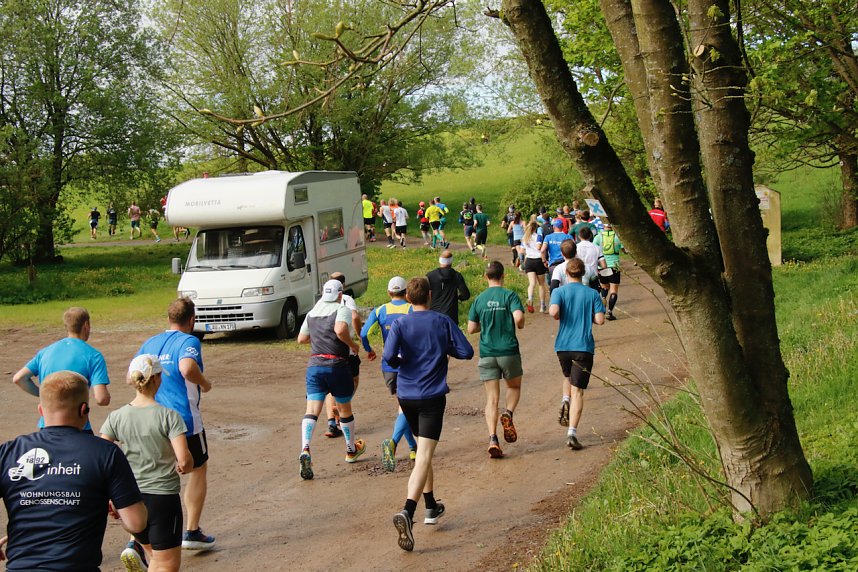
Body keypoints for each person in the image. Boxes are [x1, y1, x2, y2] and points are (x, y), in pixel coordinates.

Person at [0, 371, 147, 571]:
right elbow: (137, 523)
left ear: (41, 411)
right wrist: (119, 508)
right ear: (84, 410)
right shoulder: (105, 453)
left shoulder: (9, 452)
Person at [383, 277, 474, 552]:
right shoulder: (442, 321)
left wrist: (405, 360)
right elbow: (466, 352)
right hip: (432, 396)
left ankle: (431, 506)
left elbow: (389, 357)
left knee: (424, 451)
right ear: (430, 296)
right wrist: (444, 350)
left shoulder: (400, 323)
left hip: (406, 395)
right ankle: (408, 511)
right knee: (423, 455)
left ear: (408, 298)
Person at [100, 355, 193, 572]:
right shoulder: (169, 416)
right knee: (166, 564)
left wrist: (111, 492)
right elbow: (185, 460)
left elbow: (102, 454)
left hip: (129, 500)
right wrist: (183, 465)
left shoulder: (116, 417)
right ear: (158, 379)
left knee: (154, 556)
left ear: (132, 380)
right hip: (162, 498)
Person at [137, 297, 216, 551]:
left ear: (169, 318)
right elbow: (186, 367)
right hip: (184, 420)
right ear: (192, 320)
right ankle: (191, 531)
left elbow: (133, 373)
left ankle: (136, 541)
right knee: (198, 469)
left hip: (151, 418)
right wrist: (204, 383)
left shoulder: (149, 342)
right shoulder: (189, 341)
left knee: (152, 477)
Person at [297, 279, 368, 480]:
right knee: (345, 409)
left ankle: (305, 448)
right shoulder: (341, 308)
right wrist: (352, 345)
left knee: (311, 410)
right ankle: (350, 449)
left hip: (315, 366)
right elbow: (339, 330)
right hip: (337, 365)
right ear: (340, 294)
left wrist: (319, 336)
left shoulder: (312, 312)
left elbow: (301, 339)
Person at [13, 307, 111, 433]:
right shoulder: (93, 355)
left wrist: (45, 395)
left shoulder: (45, 352)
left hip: (47, 427)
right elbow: (101, 399)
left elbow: (19, 378)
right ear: (86, 325)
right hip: (78, 428)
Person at [467, 261, 525, 458]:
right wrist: (520, 323)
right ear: (503, 276)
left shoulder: (479, 300)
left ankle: (493, 439)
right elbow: (518, 318)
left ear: (486, 277)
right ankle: (508, 414)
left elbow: (471, 328)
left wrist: (486, 324)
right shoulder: (510, 295)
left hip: (487, 353)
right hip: (508, 351)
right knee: (514, 387)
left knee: (491, 399)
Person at [360, 276, 418, 472]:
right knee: (405, 407)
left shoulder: (380, 310)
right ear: (406, 294)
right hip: (408, 364)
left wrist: (369, 350)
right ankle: (392, 443)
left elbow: (363, 333)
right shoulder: (411, 309)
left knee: (403, 405)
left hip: (389, 366)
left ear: (388, 293)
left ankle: (412, 448)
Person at [549, 258, 606, 450]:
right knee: (578, 390)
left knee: (567, 376)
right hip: (583, 347)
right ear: (583, 275)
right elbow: (600, 320)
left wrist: (561, 313)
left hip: (563, 347)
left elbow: (554, 312)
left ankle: (565, 399)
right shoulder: (592, 294)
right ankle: (572, 432)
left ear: (566, 273)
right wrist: (587, 313)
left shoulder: (559, 292)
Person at [323, 272, 364, 438]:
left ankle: (332, 424)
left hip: (327, 348)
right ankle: (341, 406)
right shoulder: (347, 299)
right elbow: (354, 316)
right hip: (346, 348)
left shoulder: (322, 302)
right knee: (354, 379)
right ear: (343, 286)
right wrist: (358, 333)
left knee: (329, 389)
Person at [426, 250, 470, 323]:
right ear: (451, 262)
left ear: (440, 261)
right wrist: (458, 298)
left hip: (434, 315)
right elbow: (466, 295)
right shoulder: (457, 276)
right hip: (451, 316)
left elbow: (425, 295)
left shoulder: (430, 276)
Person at [594, 221, 624, 320]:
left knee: (604, 287)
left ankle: (603, 300)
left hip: (603, 266)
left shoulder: (598, 236)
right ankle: (610, 312)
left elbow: (594, 250)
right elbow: (624, 250)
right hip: (614, 266)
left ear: (603, 225)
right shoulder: (617, 236)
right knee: (614, 291)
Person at [517, 221, 548, 313]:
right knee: (541, 284)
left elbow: (521, 251)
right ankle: (542, 306)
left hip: (529, 261)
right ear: (536, 228)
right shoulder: (538, 236)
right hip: (538, 260)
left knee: (532, 284)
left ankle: (530, 298)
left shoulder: (524, 238)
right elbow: (539, 247)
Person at [575, 226, 606, 291]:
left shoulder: (576, 247)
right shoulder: (597, 248)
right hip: (594, 277)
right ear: (590, 236)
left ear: (579, 236)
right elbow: (604, 266)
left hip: (580, 276)